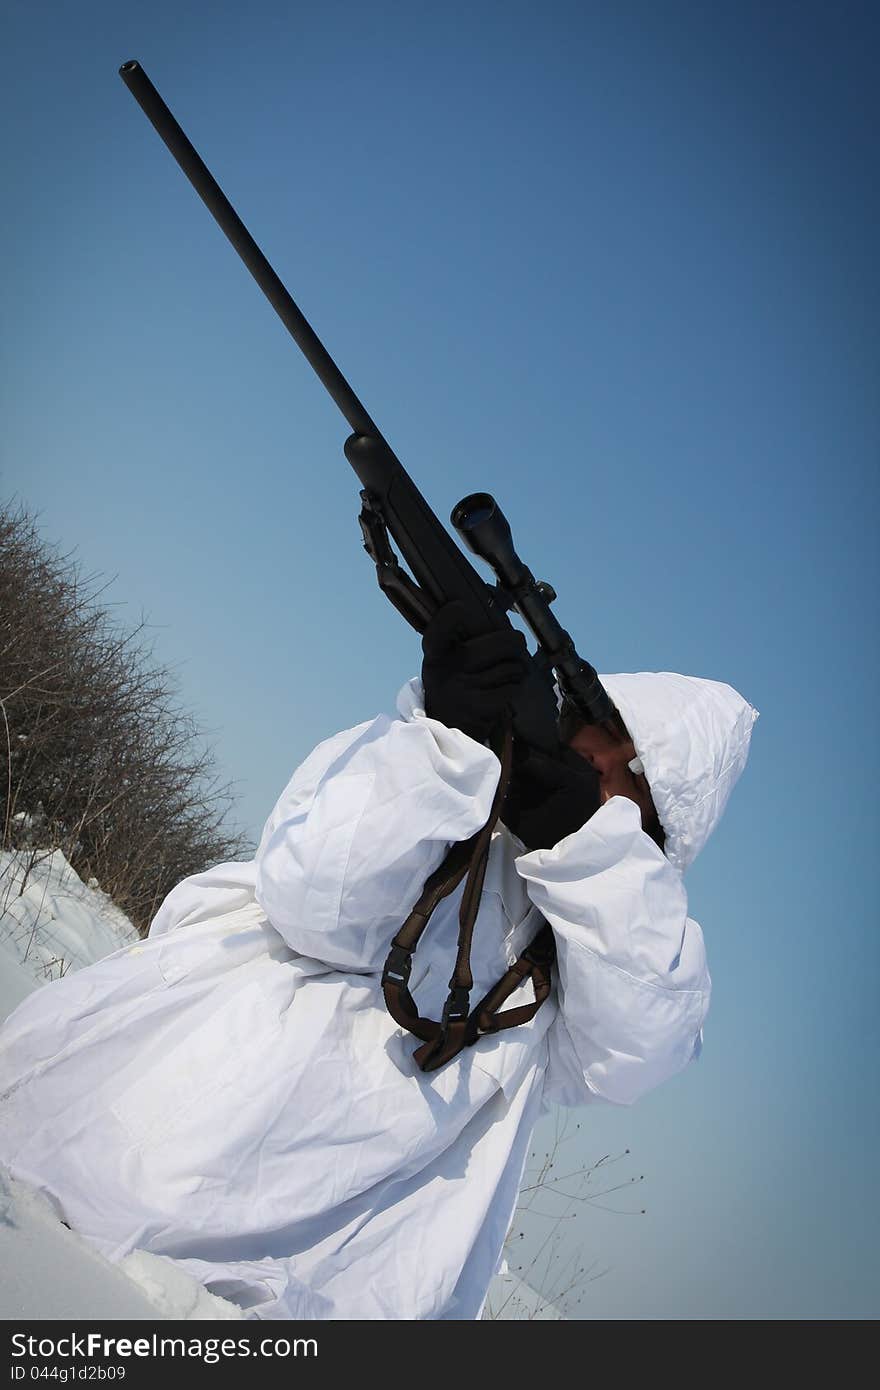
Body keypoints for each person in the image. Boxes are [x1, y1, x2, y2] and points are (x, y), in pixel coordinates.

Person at [0, 606, 757, 1320]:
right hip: (134, 1145)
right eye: (602, 733)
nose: (601, 762)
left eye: (638, 773)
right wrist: (446, 746)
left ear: (660, 828)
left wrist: (587, 854)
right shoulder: (431, 771)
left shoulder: (609, 937)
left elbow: (640, 1045)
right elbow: (309, 894)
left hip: (334, 1281)